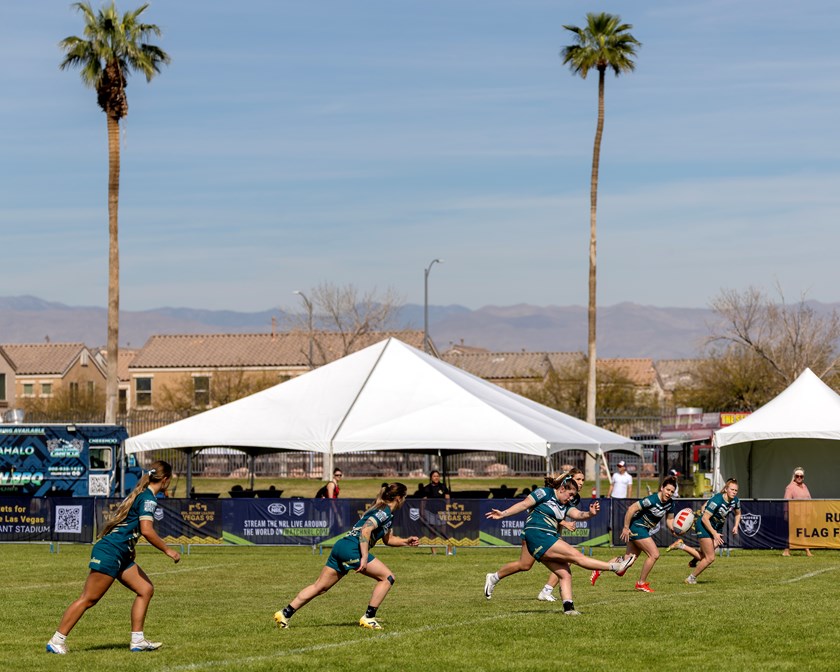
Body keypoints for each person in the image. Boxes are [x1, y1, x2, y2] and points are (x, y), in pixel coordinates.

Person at [46, 461, 181, 655]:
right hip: (111, 551)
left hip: (121, 553)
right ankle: (56, 641)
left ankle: (137, 641)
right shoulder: (149, 499)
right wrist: (169, 550)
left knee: (145, 589)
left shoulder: (143, 494)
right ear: (166, 480)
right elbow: (147, 531)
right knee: (89, 599)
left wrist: (130, 548)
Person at [274, 483, 419, 631]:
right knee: (387, 578)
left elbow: (388, 540)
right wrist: (364, 557)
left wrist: (405, 541)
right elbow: (365, 530)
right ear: (399, 498)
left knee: (320, 587)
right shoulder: (384, 512)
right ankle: (369, 617)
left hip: (341, 546)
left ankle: (284, 613)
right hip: (352, 548)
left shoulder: (384, 512)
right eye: (405, 497)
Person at [484, 475, 636, 616]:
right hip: (538, 533)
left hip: (546, 536)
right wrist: (503, 514)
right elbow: (524, 504)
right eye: (570, 494)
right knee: (577, 556)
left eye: (573, 496)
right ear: (562, 489)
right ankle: (615, 567)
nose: (571, 498)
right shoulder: (544, 493)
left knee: (564, 573)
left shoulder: (565, 505)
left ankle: (568, 608)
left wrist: (590, 514)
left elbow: (578, 514)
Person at [483, 469, 590, 603]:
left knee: (526, 565)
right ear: (568, 482)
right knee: (533, 564)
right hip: (537, 532)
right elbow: (535, 509)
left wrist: (588, 514)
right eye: (578, 479)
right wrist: (563, 522)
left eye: (583, 480)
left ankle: (495, 578)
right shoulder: (548, 493)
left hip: (551, 534)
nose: (581, 483)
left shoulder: (572, 498)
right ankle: (546, 591)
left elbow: (568, 512)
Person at [592, 475, 677, 593]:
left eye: (672, 491)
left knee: (626, 562)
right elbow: (631, 509)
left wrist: (674, 529)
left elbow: (669, 520)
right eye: (667, 490)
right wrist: (626, 527)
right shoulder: (651, 500)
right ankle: (641, 583)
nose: (669, 493)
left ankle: (598, 569)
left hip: (643, 530)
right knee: (654, 554)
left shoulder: (670, 504)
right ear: (662, 488)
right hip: (637, 527)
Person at [668, 478, 741, 584]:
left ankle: (681, 546)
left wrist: (736, 526)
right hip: (704, 525)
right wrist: (714, 533)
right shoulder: (717, 500)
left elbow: (738, 513)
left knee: (704, 555)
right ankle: (691, 578)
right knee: (710, 557)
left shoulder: (735, 501)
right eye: (732, 489)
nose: (734, 492)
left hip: (716, 528)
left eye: (736, 490)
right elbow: (704, 518)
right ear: (726, 489)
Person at [782, 467, 813, 557]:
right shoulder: (790, 487)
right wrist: (786, 513)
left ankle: (786, 550)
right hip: (795, 514)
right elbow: (786, 501)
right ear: (794, 476)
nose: (799, 477)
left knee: (795, 533)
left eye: (801, 476)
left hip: (805, 513)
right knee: (801, 531)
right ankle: (807, 551)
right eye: (797, 476)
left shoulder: (805, 486)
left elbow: (809, 499)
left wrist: (811, 511)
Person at [423, 470, 453, 555]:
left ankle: (450, 551)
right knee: (432, 533)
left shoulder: (443, 487)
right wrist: (422, 511)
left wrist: (448, 510)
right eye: (434, 476)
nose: (436, 478)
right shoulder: (427, 488)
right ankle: (434, 552)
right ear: (431, 478)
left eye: (437, 476)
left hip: (442, 512)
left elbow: (447, 499)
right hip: (430, 512)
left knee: (443, 532)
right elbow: (423, 501)